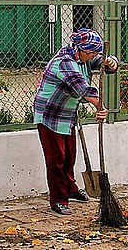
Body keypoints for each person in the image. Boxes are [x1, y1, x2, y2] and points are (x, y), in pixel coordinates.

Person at [33, 28, 118, 215]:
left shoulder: (83, 55)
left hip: (68, 113)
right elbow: (82, 87)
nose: (95, 55)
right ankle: (59, 200)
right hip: (49, 114)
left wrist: (111, 62)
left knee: (70, 155)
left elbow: (102, 63)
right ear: (84, 50)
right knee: (56, 159)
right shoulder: (64, 62)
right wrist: (100, 107)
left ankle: (70, 188)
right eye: (94, 52)